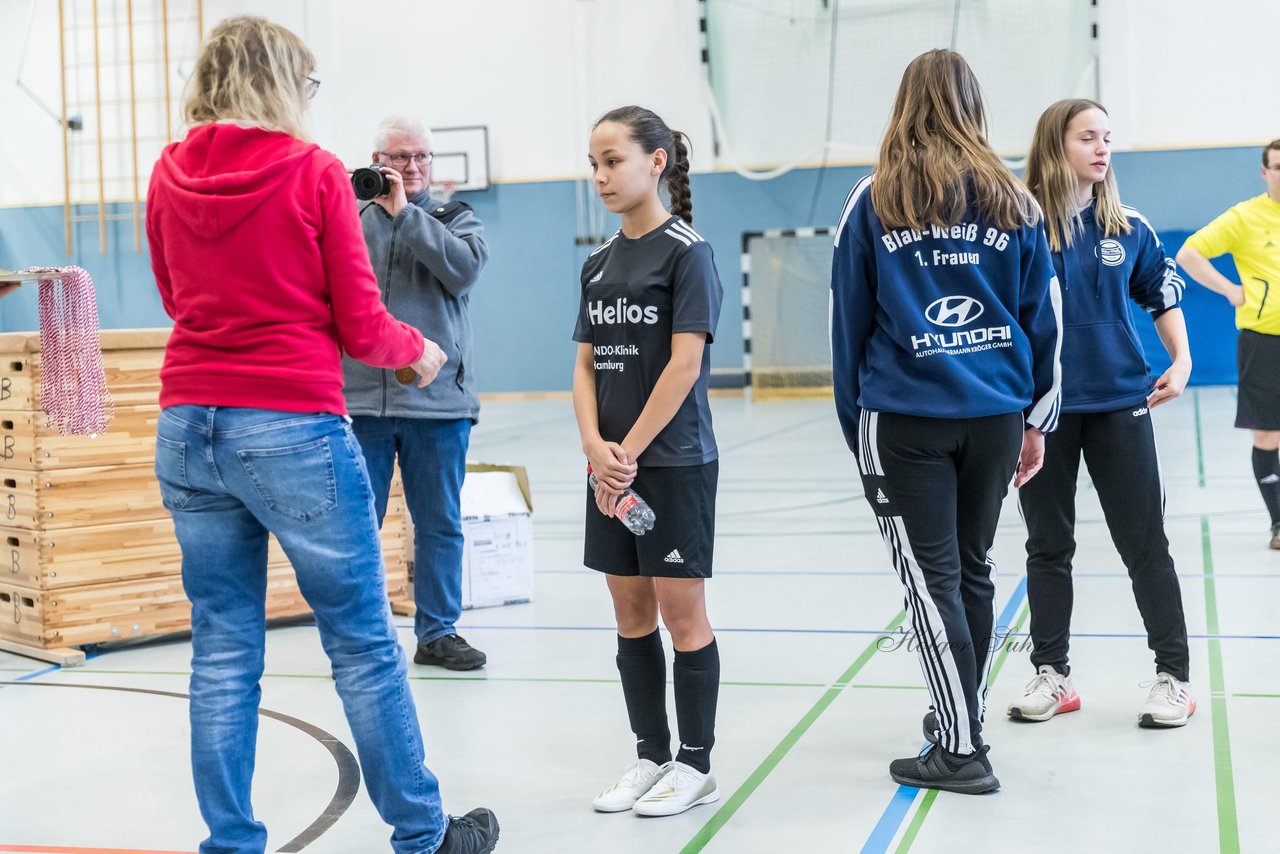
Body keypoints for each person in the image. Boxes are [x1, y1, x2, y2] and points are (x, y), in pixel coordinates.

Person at [146, 16, 498, 854]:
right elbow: (363, 323)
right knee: (365, 645)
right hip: (291, 425)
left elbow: (172, 299)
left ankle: (231, 842)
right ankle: (422, 834)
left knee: (222, 649)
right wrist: (420, 356)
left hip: (187, 422)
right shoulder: (309, 172)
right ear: (279, 85)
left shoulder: (167, 170)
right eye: (305, 87)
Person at [830, 49, 1062, 794]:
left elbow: (848, 326)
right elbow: (1042, 321)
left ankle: (961, 750)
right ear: (973, 106)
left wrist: (856, 430)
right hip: (996, 415)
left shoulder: (874, 199)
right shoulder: (1014, 199)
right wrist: (1035, 420)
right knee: (970, 572)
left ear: (905, 104)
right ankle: (963, 712)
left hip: (904, 418)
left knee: (932, 585)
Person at [1009, 99, 1195, 728]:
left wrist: (1182, 358)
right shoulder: (1018, 226)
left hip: (1121, 404)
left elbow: (1162, 292)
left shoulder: (1127, 225)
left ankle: (1174, 678)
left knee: (1145, 543)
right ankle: (1052, 675)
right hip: (1043, 415)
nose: (1101, 149)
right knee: (1048, 546)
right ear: (1054, 145)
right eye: (1087, 137)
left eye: (1107, 138)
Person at [572, 106, 724, 817]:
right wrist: (594, 450)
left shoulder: (687, 251)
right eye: (595, 163)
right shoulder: (597, 264)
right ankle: (649, 754)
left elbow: (686, 363)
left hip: (671, 463)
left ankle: (695, 764)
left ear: (655, 162)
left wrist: (626, 450)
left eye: (614, 161)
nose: (601, 175)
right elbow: (583, 367)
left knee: (679, 612)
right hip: (610, 470)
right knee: (629, 612)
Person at [342, 116, 490, 671]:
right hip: (360, 402)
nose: (412, 168)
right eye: (400, 158)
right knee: (358, 522)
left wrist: (405, 214)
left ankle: (438, 632)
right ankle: (363, 631)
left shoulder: (455, 217)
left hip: (438, 403)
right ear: (376, 159)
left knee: (439, 523)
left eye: (422, 158)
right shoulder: (349, 220)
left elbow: (463, 270)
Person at [1176, 140, 1280, 549]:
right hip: (1263, 343)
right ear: (1264, 171)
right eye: (1277, 167)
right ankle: (1278, 522)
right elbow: (1189, 254)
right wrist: (1228, 289)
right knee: (1268, 436)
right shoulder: (1246, 216)